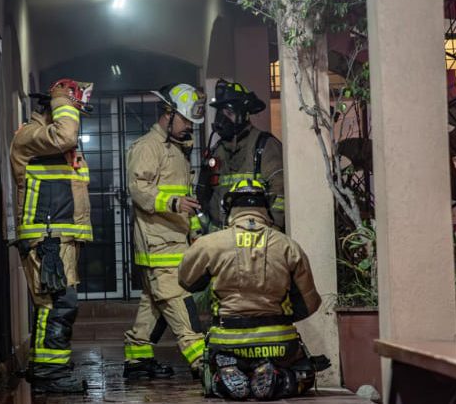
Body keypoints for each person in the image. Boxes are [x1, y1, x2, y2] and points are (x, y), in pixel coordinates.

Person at [178, 179, 330, 400]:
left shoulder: (210, 244)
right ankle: (277, 375)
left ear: (228, 208)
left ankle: (224, 377)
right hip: (279, 342)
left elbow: (186, 281)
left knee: (210, 375)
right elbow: (310, 303)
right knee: (303, 374)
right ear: (266, 207)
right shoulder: (288, 246)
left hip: (226, 341)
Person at [9, 78, 94, 395]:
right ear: (54, 108)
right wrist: (62, 100)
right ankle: (50, 373)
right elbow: (66, 132)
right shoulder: (32, 137)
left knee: (58, 303)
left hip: (59, 236)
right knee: (57, 303)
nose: (75, 117)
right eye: (72, 109)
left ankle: (49, 367)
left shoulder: (54, 145)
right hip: (47, 237)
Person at [123, 83, 207, 379]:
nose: (188, 128)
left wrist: (194, 231)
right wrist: (172, 202)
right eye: (185, 121)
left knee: (153, 303)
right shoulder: (148, 147)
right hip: (159, 245)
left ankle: (137, 358)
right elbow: (138, 189)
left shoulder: (177, 149)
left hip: (173, 241)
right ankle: (203, 362)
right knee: (178, 300)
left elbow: (185, 199)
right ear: (168, 114)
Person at [197, 79, 285, 232]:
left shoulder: (265, 146)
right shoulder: (217, 151)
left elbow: (280, 196)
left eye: (229, 113)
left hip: (256, 240)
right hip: (223, 241)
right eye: (220, 113)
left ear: (243, 115)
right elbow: (204, 197)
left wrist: (272, 232)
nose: (222, 120)